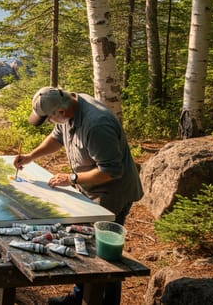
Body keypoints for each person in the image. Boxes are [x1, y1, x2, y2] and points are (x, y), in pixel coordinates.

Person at [14, 86, 143, 305]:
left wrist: (72, 178)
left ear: (60, 112)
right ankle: (79, 297)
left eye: (49, 119)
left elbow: (111, 171)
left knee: (104, 254)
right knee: (82, 243)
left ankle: (107, 302)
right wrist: (30, 157)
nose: (50, 123)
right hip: (89, 188)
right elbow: (57, 138)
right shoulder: (68, 106)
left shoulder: (97, 125)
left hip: (112, 192)